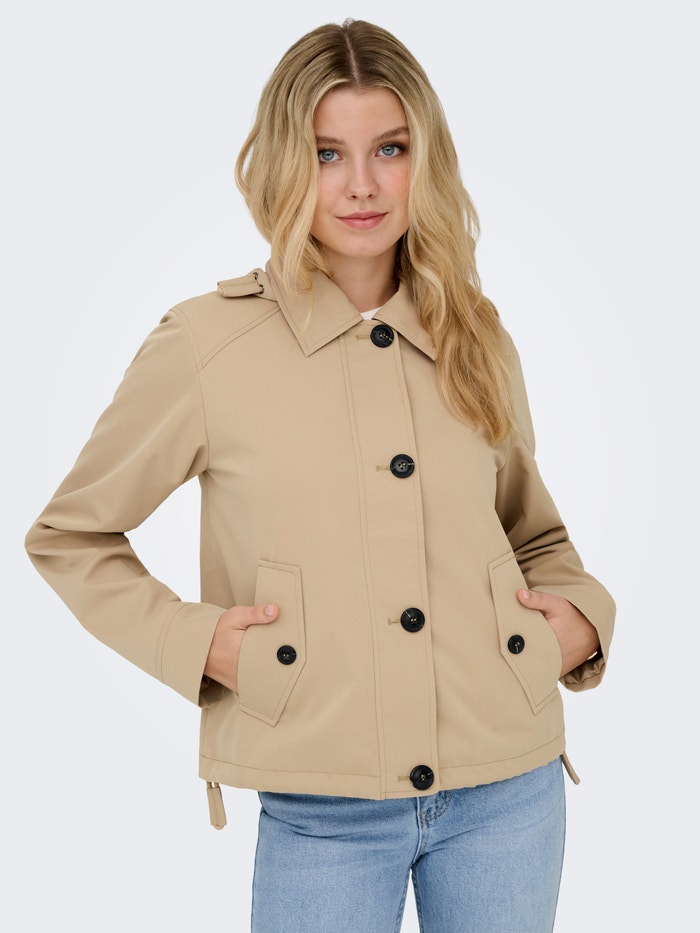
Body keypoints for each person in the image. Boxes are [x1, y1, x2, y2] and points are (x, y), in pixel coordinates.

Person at [25, 18, 615, 933]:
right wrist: (198, 644)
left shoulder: (476, 332)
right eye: (327, 152)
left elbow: (530, 531)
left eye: (390, 148)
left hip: (509, 786)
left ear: (426, 158)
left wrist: (581, 617)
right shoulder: (205, 346)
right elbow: (70, 535)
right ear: (282, 163)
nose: (362, 184)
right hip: (321, 805)